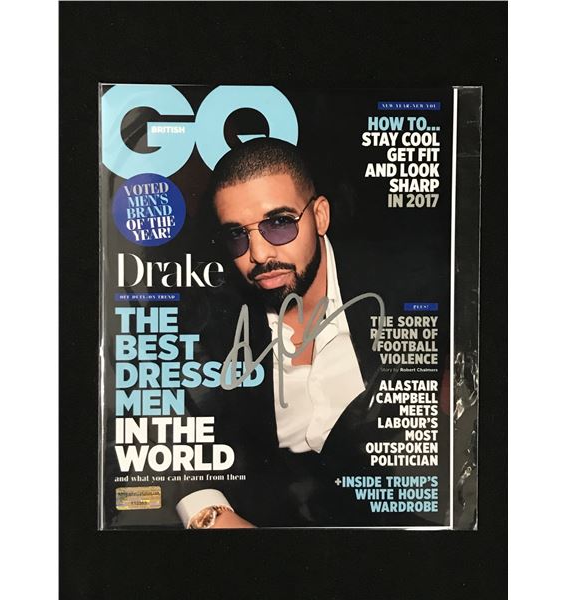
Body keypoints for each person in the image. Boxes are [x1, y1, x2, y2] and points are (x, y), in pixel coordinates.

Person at [176, 138, 449, 528]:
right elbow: (167, 437)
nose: (258, 254)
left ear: (320, 216)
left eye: (279, 223)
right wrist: (211, 517)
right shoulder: (210, 322)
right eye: (237, 234)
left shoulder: (415, 289)